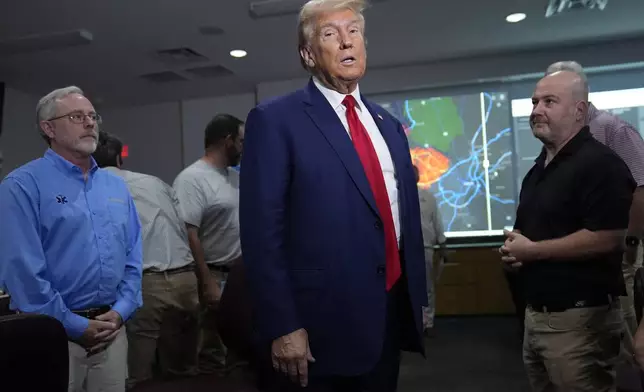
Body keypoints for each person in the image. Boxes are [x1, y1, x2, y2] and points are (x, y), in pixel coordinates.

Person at [239, 1, 427, 390]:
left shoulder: (389, 126)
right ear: (308, 55)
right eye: (330, 34)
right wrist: (283, 324)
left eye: (354, 31)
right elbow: (262, 234)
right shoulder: (275, 121)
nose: (346, 41)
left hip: (386, 318)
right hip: (317, 330)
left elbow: (396, 218)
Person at [0, 86, 143, 392]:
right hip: (54, 336)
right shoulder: (22, 186)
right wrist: (75, 325)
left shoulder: (115, 187)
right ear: (48, 128)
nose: (90, 123)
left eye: (93, 116)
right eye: (77, 116)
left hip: (113, 333)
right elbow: (23, 272)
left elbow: (133, 257)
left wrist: (122, 310)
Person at [500, 70, 635, 391]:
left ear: (579, 111)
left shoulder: (601, 164)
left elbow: (609, 237)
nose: (536, 111)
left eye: (549, 102)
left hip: (579, 323)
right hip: (537, 319)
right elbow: (533, 231)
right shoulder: (538, 170)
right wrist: (515, 253)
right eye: (534, 102)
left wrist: (532, 252)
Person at [92, 131, 201, 388]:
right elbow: (184, 226)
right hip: (185, 278)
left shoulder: (93, 188)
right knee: (184, 371)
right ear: (120, 158)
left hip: (144, 283)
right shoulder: (155, 182)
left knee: (138, 375)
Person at [546, 61, 644, 340]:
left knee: (628, 333)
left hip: (621, 252)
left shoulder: (613, 130)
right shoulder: (565, 140)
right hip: (588, 255)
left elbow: (641, 188)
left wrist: (632, 242)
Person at [173, 113, 245, 374]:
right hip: (212, 274)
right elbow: (188, 234)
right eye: (240, 141)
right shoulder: (192, 179)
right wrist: (207, 282)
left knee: (239, 351)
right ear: (227, 141)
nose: (242, 147)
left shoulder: (234, 177)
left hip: (238, 275)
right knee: (212, 353)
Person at [413, 165, 448, 336]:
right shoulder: (398, 197)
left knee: (427, 286)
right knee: (409, 287)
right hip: (405, 250)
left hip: (426, 247)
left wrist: (442, 243)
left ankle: (428, 322)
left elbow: (437, 221)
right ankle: (413, 323)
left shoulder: (428, 197)